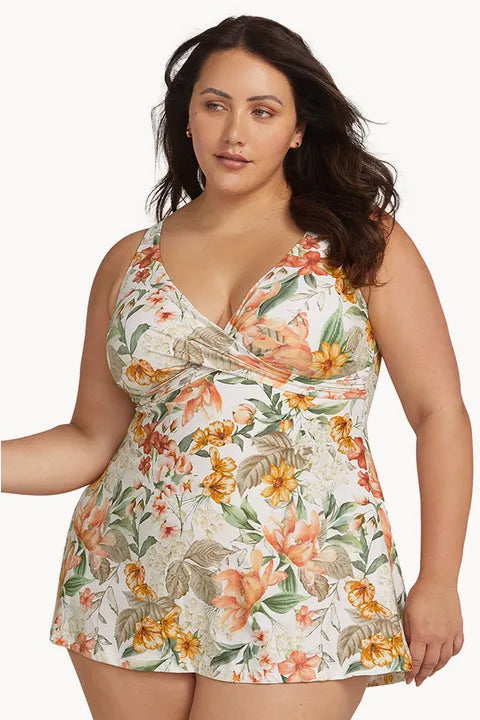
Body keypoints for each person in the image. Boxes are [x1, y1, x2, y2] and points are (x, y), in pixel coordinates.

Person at [1, 14, 472, 720]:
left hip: (305, 584)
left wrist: (440, 578)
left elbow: (439, 413)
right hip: (128, 574)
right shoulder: (128, 261)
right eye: (215, 104)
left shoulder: (362, 243)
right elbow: (90, 438)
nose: (234, 133)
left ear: (299, 128)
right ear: (187, 117)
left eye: (262, 110)